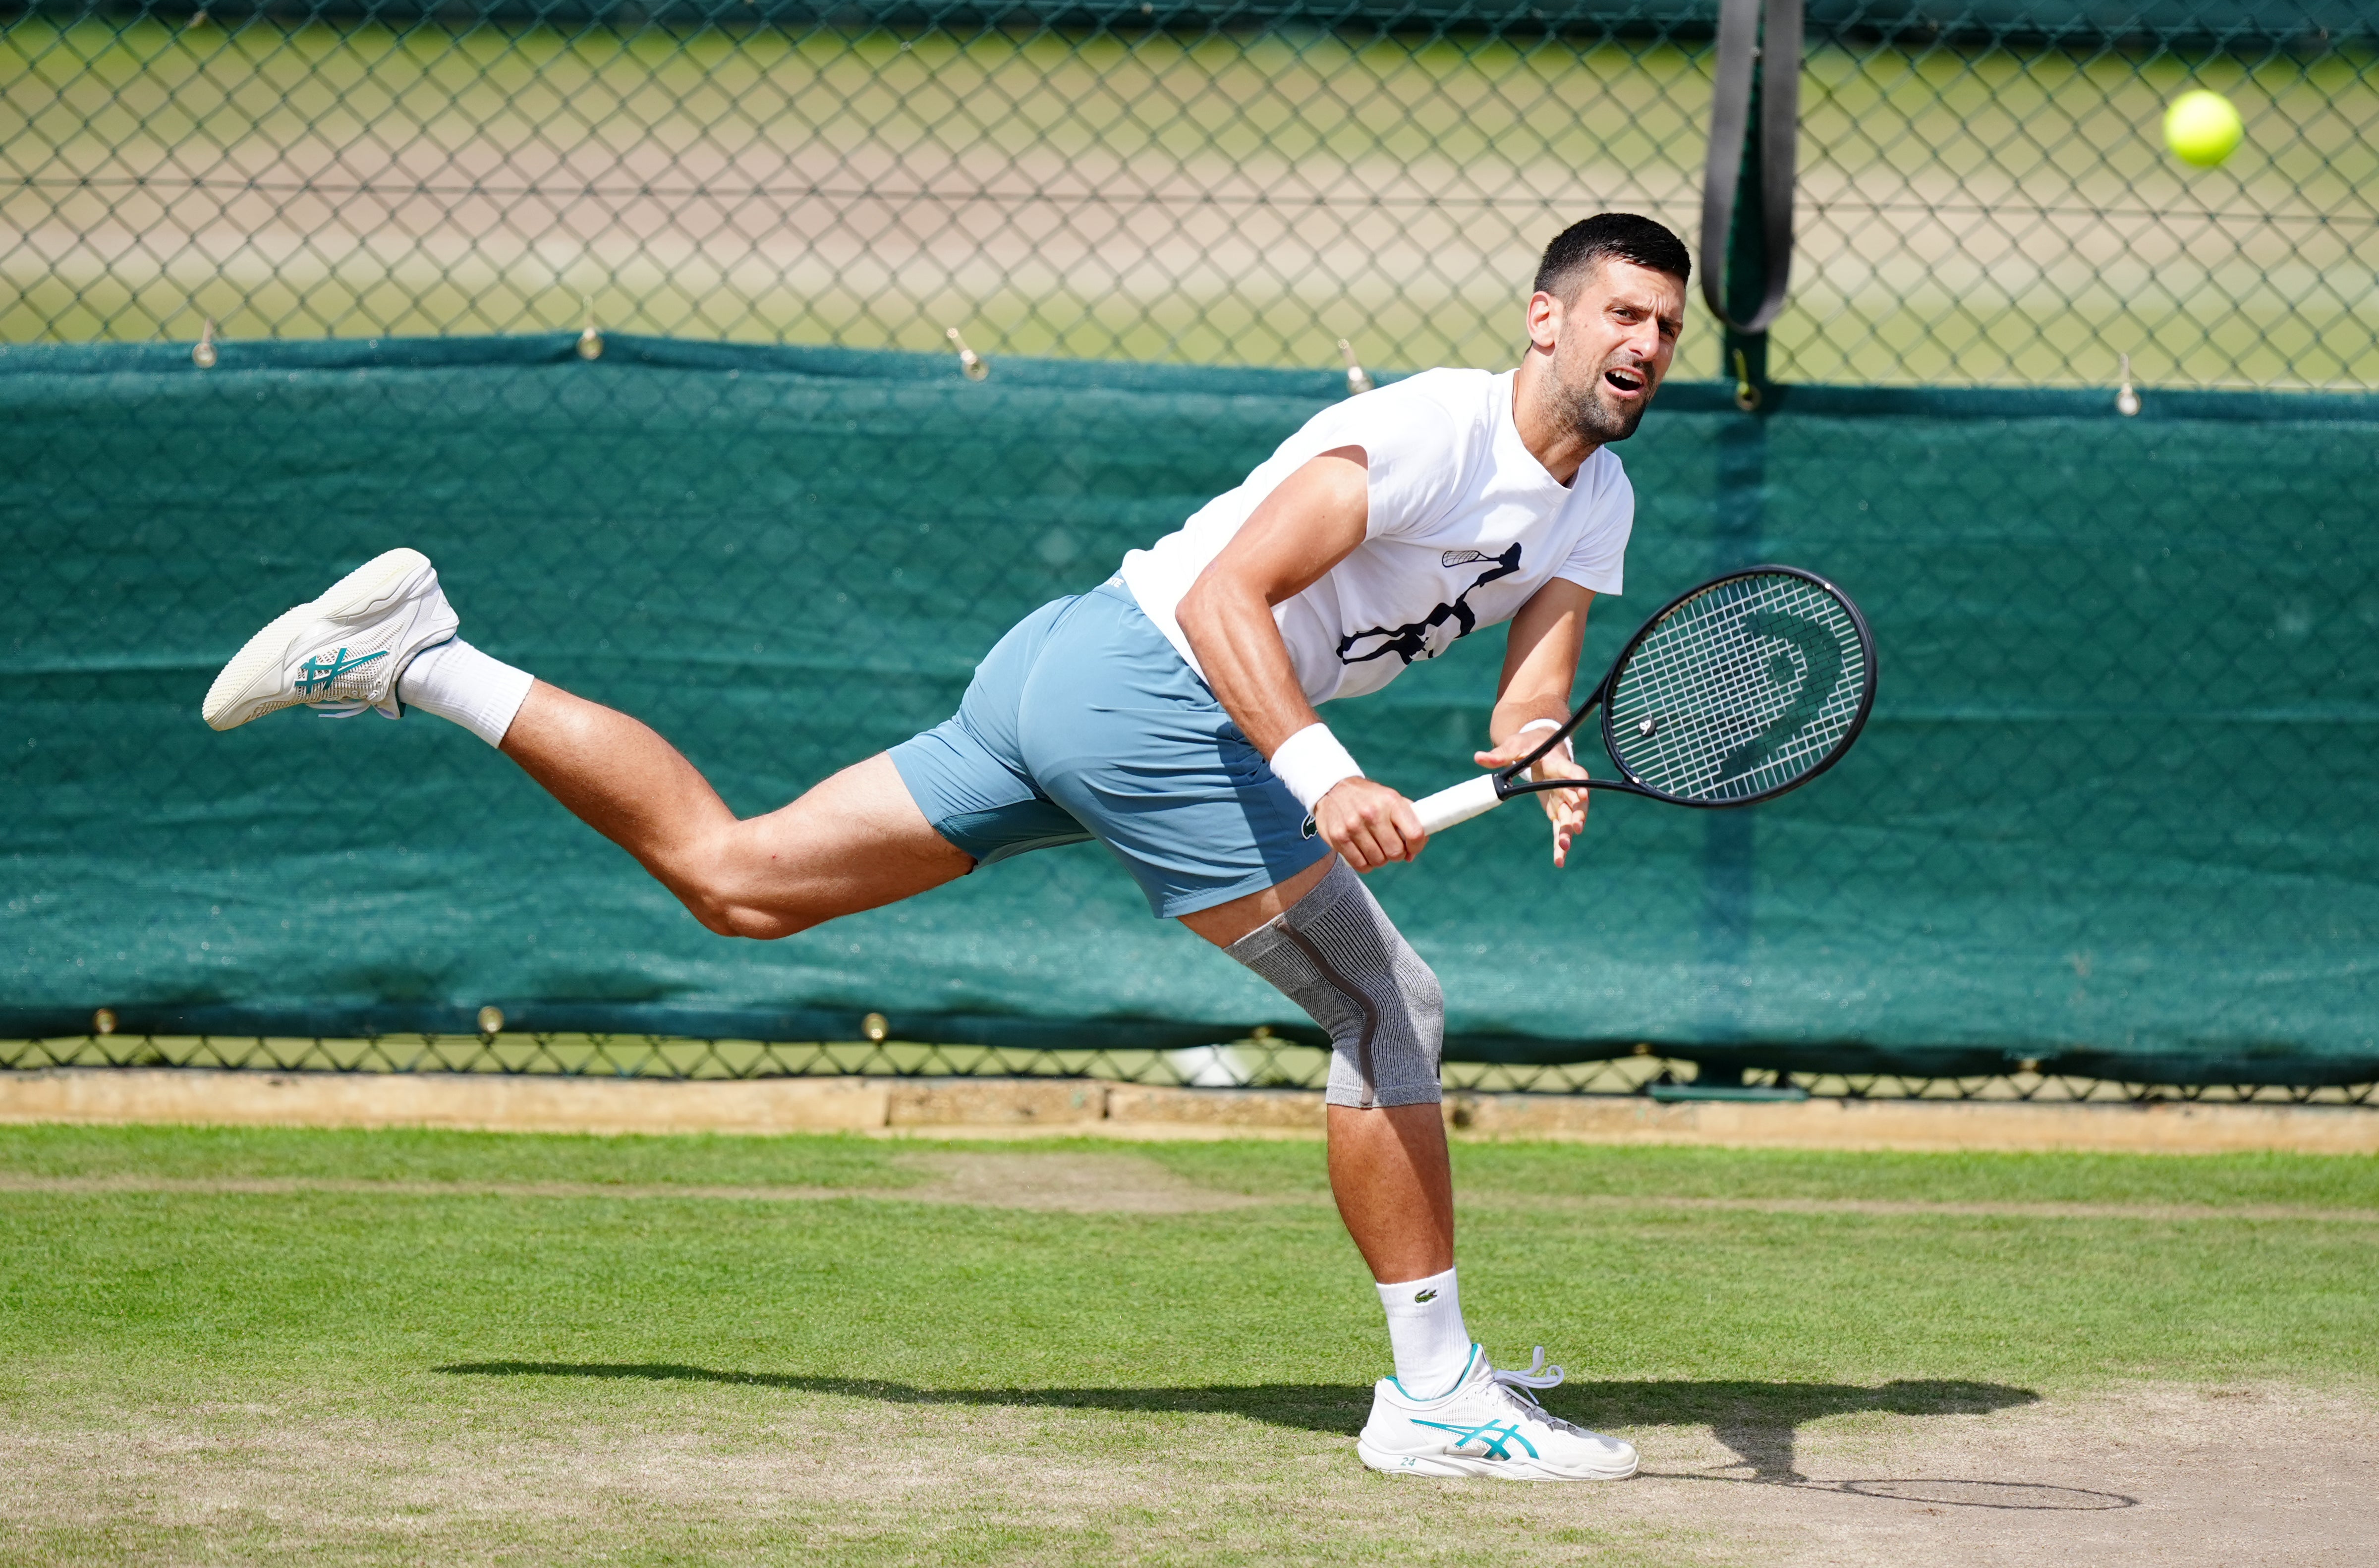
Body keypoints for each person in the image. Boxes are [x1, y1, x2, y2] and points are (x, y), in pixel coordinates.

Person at [204, 212, 1690, 1482]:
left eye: (1668, 327)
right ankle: (1435, 1396)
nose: (1646, 343)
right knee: (1390, 1005)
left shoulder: (1597, 496)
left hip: (1068, 673)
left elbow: (1534, 688)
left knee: (740, 880)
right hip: (1157, 689)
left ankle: (422, 660)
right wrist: (1321, 771)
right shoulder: (1434, 430)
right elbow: (1235, 596)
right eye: (1622, 312)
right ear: (1545, 320)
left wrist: (1543, 754)